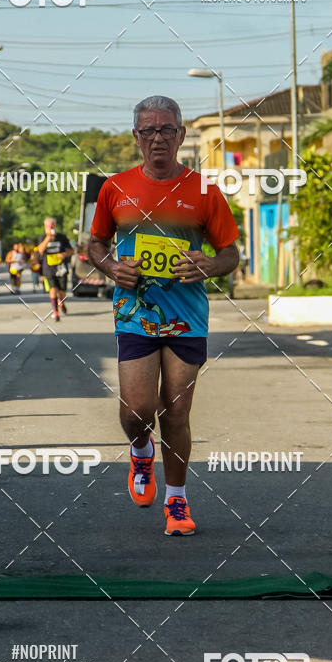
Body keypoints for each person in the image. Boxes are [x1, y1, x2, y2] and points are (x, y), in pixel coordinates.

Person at [88, 95, 239, 536]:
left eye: (167, 129)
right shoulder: (115, 188)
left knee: (175, 412)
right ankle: (140, 449)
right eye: (149, 130)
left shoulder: (205, 191)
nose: (158, 138)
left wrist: (210, 265)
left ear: (182, 135)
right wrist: (111, 268)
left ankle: (177, 500)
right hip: (134, 312)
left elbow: (230, 253)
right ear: (136, 136)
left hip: (186, 317)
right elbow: (95, 245)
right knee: (138, 409)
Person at [37, 217, 74, 321]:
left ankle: (61, 302)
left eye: (52, 226)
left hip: (61, 268)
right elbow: (40, 250)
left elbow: (72, 251)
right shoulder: (42, 237)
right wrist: (48, 238)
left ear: (55, 226)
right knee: (52, 289)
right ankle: (55, 312)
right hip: (48, 268)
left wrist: (64, 254)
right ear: (45, 227)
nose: (51, 228)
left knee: (62, 292)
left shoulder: (62, 237)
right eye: (48, 226)